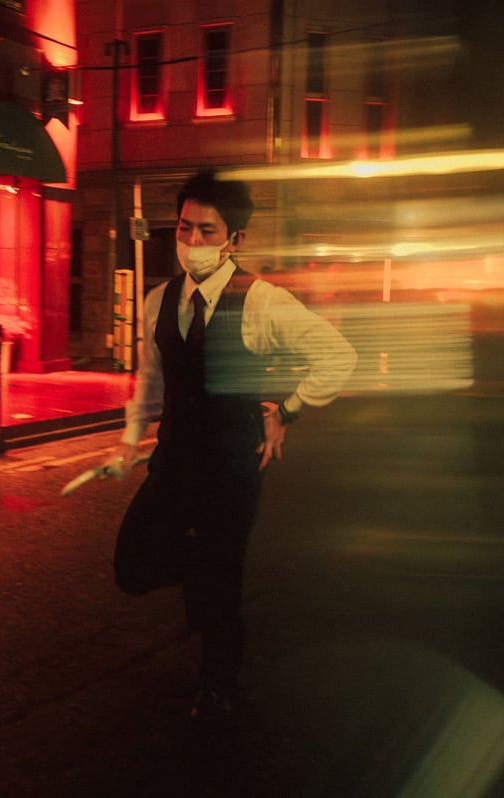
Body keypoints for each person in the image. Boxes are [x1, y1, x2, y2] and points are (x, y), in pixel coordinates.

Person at [108, 170, 357, 722]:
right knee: (132, 564)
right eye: (184, 228)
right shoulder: (158, 300)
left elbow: (339, 356)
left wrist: (287, 409)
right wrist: (130, 441)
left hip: (231, 466)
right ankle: (201, 571)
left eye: (206, 231)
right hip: (172, 459)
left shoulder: (263, 302)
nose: (192, 243)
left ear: (235, 240)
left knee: (222, 590)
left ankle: (217, 688)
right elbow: (152, 378)